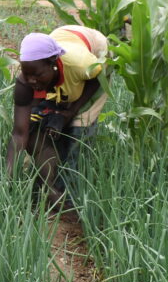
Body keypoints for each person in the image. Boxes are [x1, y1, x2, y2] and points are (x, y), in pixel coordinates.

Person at [7, 26, 108, 208]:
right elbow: (19, 134)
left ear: (53, 62)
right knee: (39, 127)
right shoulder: (26, 82)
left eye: (36, 75)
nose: (31, 80)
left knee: (78, 129)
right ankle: (48, 187)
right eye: (26, 74)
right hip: (62, 44)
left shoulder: (82, 64)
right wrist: (8, 175)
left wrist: (70, 112)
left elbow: (98, 77)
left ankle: (71, 196)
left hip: (93, 50)